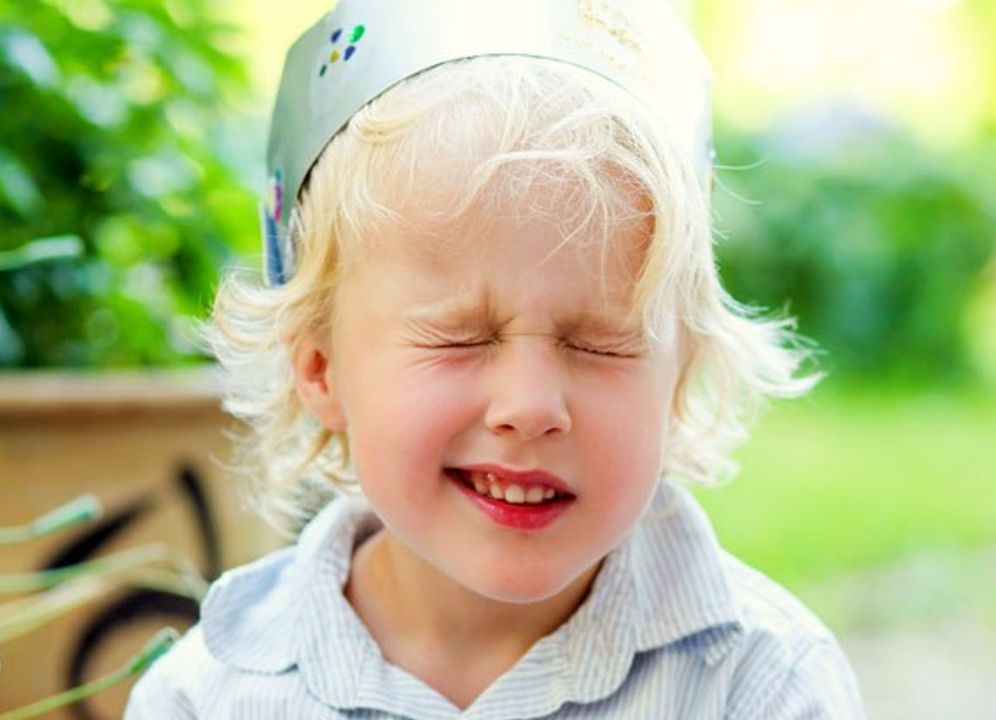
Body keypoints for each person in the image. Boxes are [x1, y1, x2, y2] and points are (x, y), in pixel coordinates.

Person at [125, 0, 864, 717]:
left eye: (599, 343)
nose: (530, 407)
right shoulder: (212, 695)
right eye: (461, 337)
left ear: (681, 378)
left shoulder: (763, 688)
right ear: (320, 367)